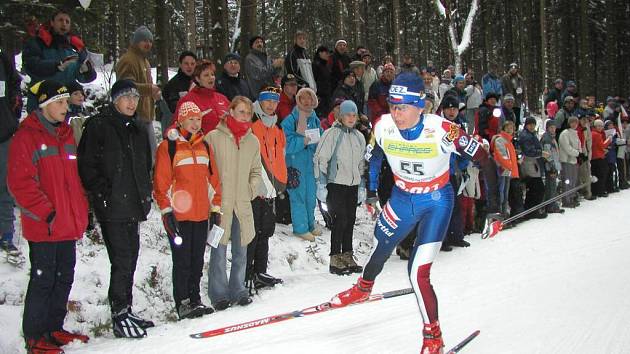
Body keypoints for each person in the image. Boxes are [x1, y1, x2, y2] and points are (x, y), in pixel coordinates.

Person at [329, 73, 494, 354]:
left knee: (417, 271)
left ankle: (433, 338)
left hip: (436, 201)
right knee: (381, 243)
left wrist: (495, 211)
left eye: (404, 106)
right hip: (403, 198)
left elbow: (483, 159)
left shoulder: (443, 130)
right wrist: (371, 192)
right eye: (393, 105)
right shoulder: (383, 127)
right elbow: (374, 157)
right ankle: (364, 286)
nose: (397, 113)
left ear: (422, 106)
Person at [8, 80, 90, 353]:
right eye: (60, 102)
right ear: (44, 105)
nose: (66, 107)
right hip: (45, 225)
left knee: (64, 275)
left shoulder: (66, 135)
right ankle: (34, 336)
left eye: (67, 102)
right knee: (43, 279)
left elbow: (73, 180)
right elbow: (20, 184)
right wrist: (48, 213)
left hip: (67, 223)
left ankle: (53, 326)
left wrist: (79, 212)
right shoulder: (27, 137)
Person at [77, 80, 154, 338]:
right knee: (121, 260)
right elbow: (87, 166)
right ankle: (119, 312)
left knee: (130, 258)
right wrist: (103, 195)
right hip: (112, 206)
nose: (132, 102)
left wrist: (145, 194)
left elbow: (145, 166)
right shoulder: (99, 125)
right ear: (115, 100)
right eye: (126, 97)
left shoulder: (138, 128)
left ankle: (126, 308)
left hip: (132, 203)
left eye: (135, 97)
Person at [153, 101, 220, 320]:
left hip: (201, 214)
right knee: (181, 261)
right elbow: (161, 184)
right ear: (180, 120)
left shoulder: (204, 146)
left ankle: (195, 298)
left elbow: (214, 181)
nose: (195, 123)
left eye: (198, 119)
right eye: (190, 119)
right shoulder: (168, 147)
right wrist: (166, 212)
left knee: (197, 260)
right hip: (179, 216)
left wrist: (215, 208)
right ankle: (182, 302)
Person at [204, 96, 262, 310]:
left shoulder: (252, 141)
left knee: (241, 249)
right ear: (230, 111)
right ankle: (218, 293)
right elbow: (206, 170)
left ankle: (238, 289)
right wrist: (212, 196)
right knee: (218, 249)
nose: (245, 116)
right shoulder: (213, 138)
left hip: (242, 203)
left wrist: (250, 189)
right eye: (241, 112)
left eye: (248, 113)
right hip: (220, 204)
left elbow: (257, 171)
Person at [313, 100, 366, 275]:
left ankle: (348, 255)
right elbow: (321, 159)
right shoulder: (331, 134)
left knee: (350, 220)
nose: (351, 118)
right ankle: (335, 258)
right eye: (347, 115)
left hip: (352, 184)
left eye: (354, 115)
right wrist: (321, 183)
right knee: (340, 219)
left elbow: (360, 163)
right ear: (340, 116)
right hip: (335, 184)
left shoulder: (359, 136)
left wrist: (361, 186)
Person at [247, 88, 287, 289]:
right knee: (252, 232)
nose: (271, 105)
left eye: (274, 101)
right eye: (267, 101)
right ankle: (247, 273)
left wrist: (283, 179)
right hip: (255, 187)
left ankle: (260, 271)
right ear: (259, 102)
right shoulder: (253, 125)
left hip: (272, 187)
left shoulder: (277, 128)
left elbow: (281, 155)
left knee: (265, 231)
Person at [22, 9, 96, 112]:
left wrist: (87, 71)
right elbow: (31, 66)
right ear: (52, 22)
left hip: (67, 106)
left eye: (67, 21)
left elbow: (84, 77)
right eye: (60, 20)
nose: (64, 24)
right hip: (42, 104)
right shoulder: (37, 42)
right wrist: (56, 66)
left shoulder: (75, 46)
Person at [281, 88, 322, 241]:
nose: (306, 101)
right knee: (298, 196)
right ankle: (300, 227)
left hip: (310, 164)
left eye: (309, 98)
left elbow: (320, 140)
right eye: (303, 98)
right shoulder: (290, 120)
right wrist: (302, 141)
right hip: (294, 164)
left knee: (310, 196)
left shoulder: (315, 120)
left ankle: (310, 224)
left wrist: (315, 144)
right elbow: (286, 145)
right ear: (298, 100)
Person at [115, 26, 161, 158]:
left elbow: (147, 86)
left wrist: (154, 93)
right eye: (144, 40)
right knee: (141, 156)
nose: (148, 44)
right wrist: (149, 89)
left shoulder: (145, 61)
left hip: (145, 116)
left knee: (151, 155)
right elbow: (125, 87)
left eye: (150, 41)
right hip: (133, 116)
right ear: (135, 42)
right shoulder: (128, 60)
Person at [0, 51, 22, 259]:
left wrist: (14, 107)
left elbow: (15, 83)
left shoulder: (3, 59)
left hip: (4, 131)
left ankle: (6, 233)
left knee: (5, 185)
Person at [173, 60, 230, 134]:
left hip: (225, 142)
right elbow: (176, 126)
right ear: (197, 79)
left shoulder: (222, 98)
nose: (211, 77)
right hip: (202, 143)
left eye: (212, 74)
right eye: (206, 75)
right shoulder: (188, 100)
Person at [518, 117, 549, 219]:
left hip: (533, 163)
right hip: (530, 164)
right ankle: (531, 211)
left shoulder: (530, 134)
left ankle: (531, 210)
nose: (531, 126)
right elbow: (529, 151)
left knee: (535, 188)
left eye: (533, 124)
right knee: (536, 188)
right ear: (526, 125)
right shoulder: (526, 136)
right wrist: (541, 153)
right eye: (529, 124)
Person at [491, 120, 520, 218]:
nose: (509, 130)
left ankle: (503, 216)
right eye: (508, 127)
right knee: (501, 194)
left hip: (507, 171)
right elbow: (501, 156)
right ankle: (499, 217)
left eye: (511, 128)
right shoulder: (500, 140)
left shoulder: (509, 141)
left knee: (505, 195)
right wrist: (510, 165)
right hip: (502, 170)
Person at [540, 120, 564, 213]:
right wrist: (552, 167)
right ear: (547, 128)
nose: (553, 129)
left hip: (553, 165)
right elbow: (547, 155)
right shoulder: (547, 139)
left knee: (552, 185)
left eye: (554, 128)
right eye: (551, 127)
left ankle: (550, 205)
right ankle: (551, 206)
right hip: (550, 166)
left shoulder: (552, 137)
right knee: (551, 186)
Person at [558, 116, 582, 208]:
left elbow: (579, 145)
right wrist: (577, 153)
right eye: (572, 122)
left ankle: (572, 197)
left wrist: (580, 153)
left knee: (573, 181)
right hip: (567, 160)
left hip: (574, 160)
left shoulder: (575, 133)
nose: (574, 124)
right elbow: (567, 147)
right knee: (567, 181)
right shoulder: (565, 133)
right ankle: (566, 200)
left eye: (576, 123)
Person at [590, 119, 611, 197]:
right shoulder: (597, 134)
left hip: (593, 157)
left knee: (595, 175)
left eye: (601, 126)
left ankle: (595, 191)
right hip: (599, 157)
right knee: (601, 175)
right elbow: (602, 145)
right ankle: (600, 191)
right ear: (595, 126)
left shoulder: (592, 133)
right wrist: (609, 139)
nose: (600, 128)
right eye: (599, 126)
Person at [577, 113, 594, 200]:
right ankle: (585, 192)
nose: (585, 121)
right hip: (580, 155)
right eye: (583, 120)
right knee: (583, 175)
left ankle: (587, 192)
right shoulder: (578, 129)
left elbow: (588, 141)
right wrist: (581, 154)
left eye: (585, 120)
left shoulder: (586, 128)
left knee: (586, 173)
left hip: (585, 153)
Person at [312, 46, 333, 118]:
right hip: (319, 96)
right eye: (326, 53)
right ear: (320, 53)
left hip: (327, 96)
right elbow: (313, 81)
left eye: (328, 53)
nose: (328, 55)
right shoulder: (315, 65)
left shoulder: (326, 65)